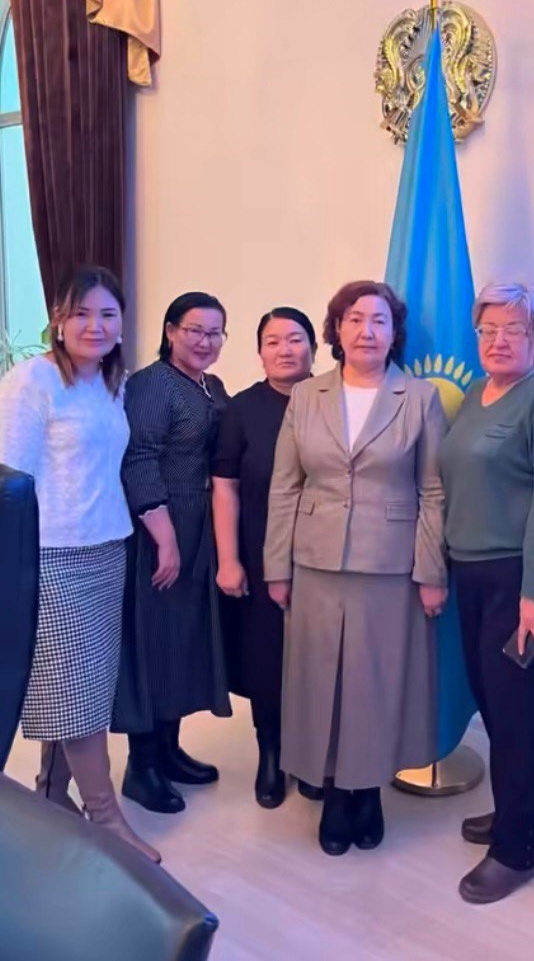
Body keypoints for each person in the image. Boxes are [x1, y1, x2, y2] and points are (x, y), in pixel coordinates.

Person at [263, 280, 447, 855]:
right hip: (314, 561)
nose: (367, 331)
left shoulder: (419, 398)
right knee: (321, 682)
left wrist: (431, 571)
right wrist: (276, 566)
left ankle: (367, 792)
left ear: (394, 333)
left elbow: (434, 490)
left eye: (379, 321)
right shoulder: (306, 396)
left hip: (389, 565)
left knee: (375, 684)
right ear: (336, 331)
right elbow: (284, 486)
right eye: (354, 319)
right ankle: (334, 796)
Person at [0, 265, 158, 861]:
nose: (96, 326)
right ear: (59, 321)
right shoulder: (32, 380)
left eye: (108, 314)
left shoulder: (112, 384)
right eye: (82, 313)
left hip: (107, 548)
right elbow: (9, 482)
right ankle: (107, 818)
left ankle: (49, 794)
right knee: (76, 692)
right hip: (52, 554)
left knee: (80, 686)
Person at [439, 280, 534, 904]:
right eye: (488, 329)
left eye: (513, 330)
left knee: (518, 713)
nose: (497, 341)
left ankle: (517, 849)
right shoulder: (477, 394)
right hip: (472, 574)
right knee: (499, 709)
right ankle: (526, 813)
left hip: (525, 580)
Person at [112, 292, 231, 814]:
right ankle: (141, 767)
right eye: (194, 330)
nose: (205, 341)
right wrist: (164, 539)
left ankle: (168, 749)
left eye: (214, 333)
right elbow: (138, 460)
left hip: (199, 525)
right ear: (170, 332)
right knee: (153, 640)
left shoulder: (211, 385)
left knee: (182, 641)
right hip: (159, 526)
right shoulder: (151, 385)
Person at [212, 306, 322, 808]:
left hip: (326, 558)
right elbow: (225, 486)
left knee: (320, 660)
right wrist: (229, 559)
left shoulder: (335, 399)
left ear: (314, 348)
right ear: (259, 353)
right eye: (273, 341)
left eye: (295, 339)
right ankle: (272, 753)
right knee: (267, 661)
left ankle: (315, 757)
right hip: (260, 555)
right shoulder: (242, 409)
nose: (285, 350)